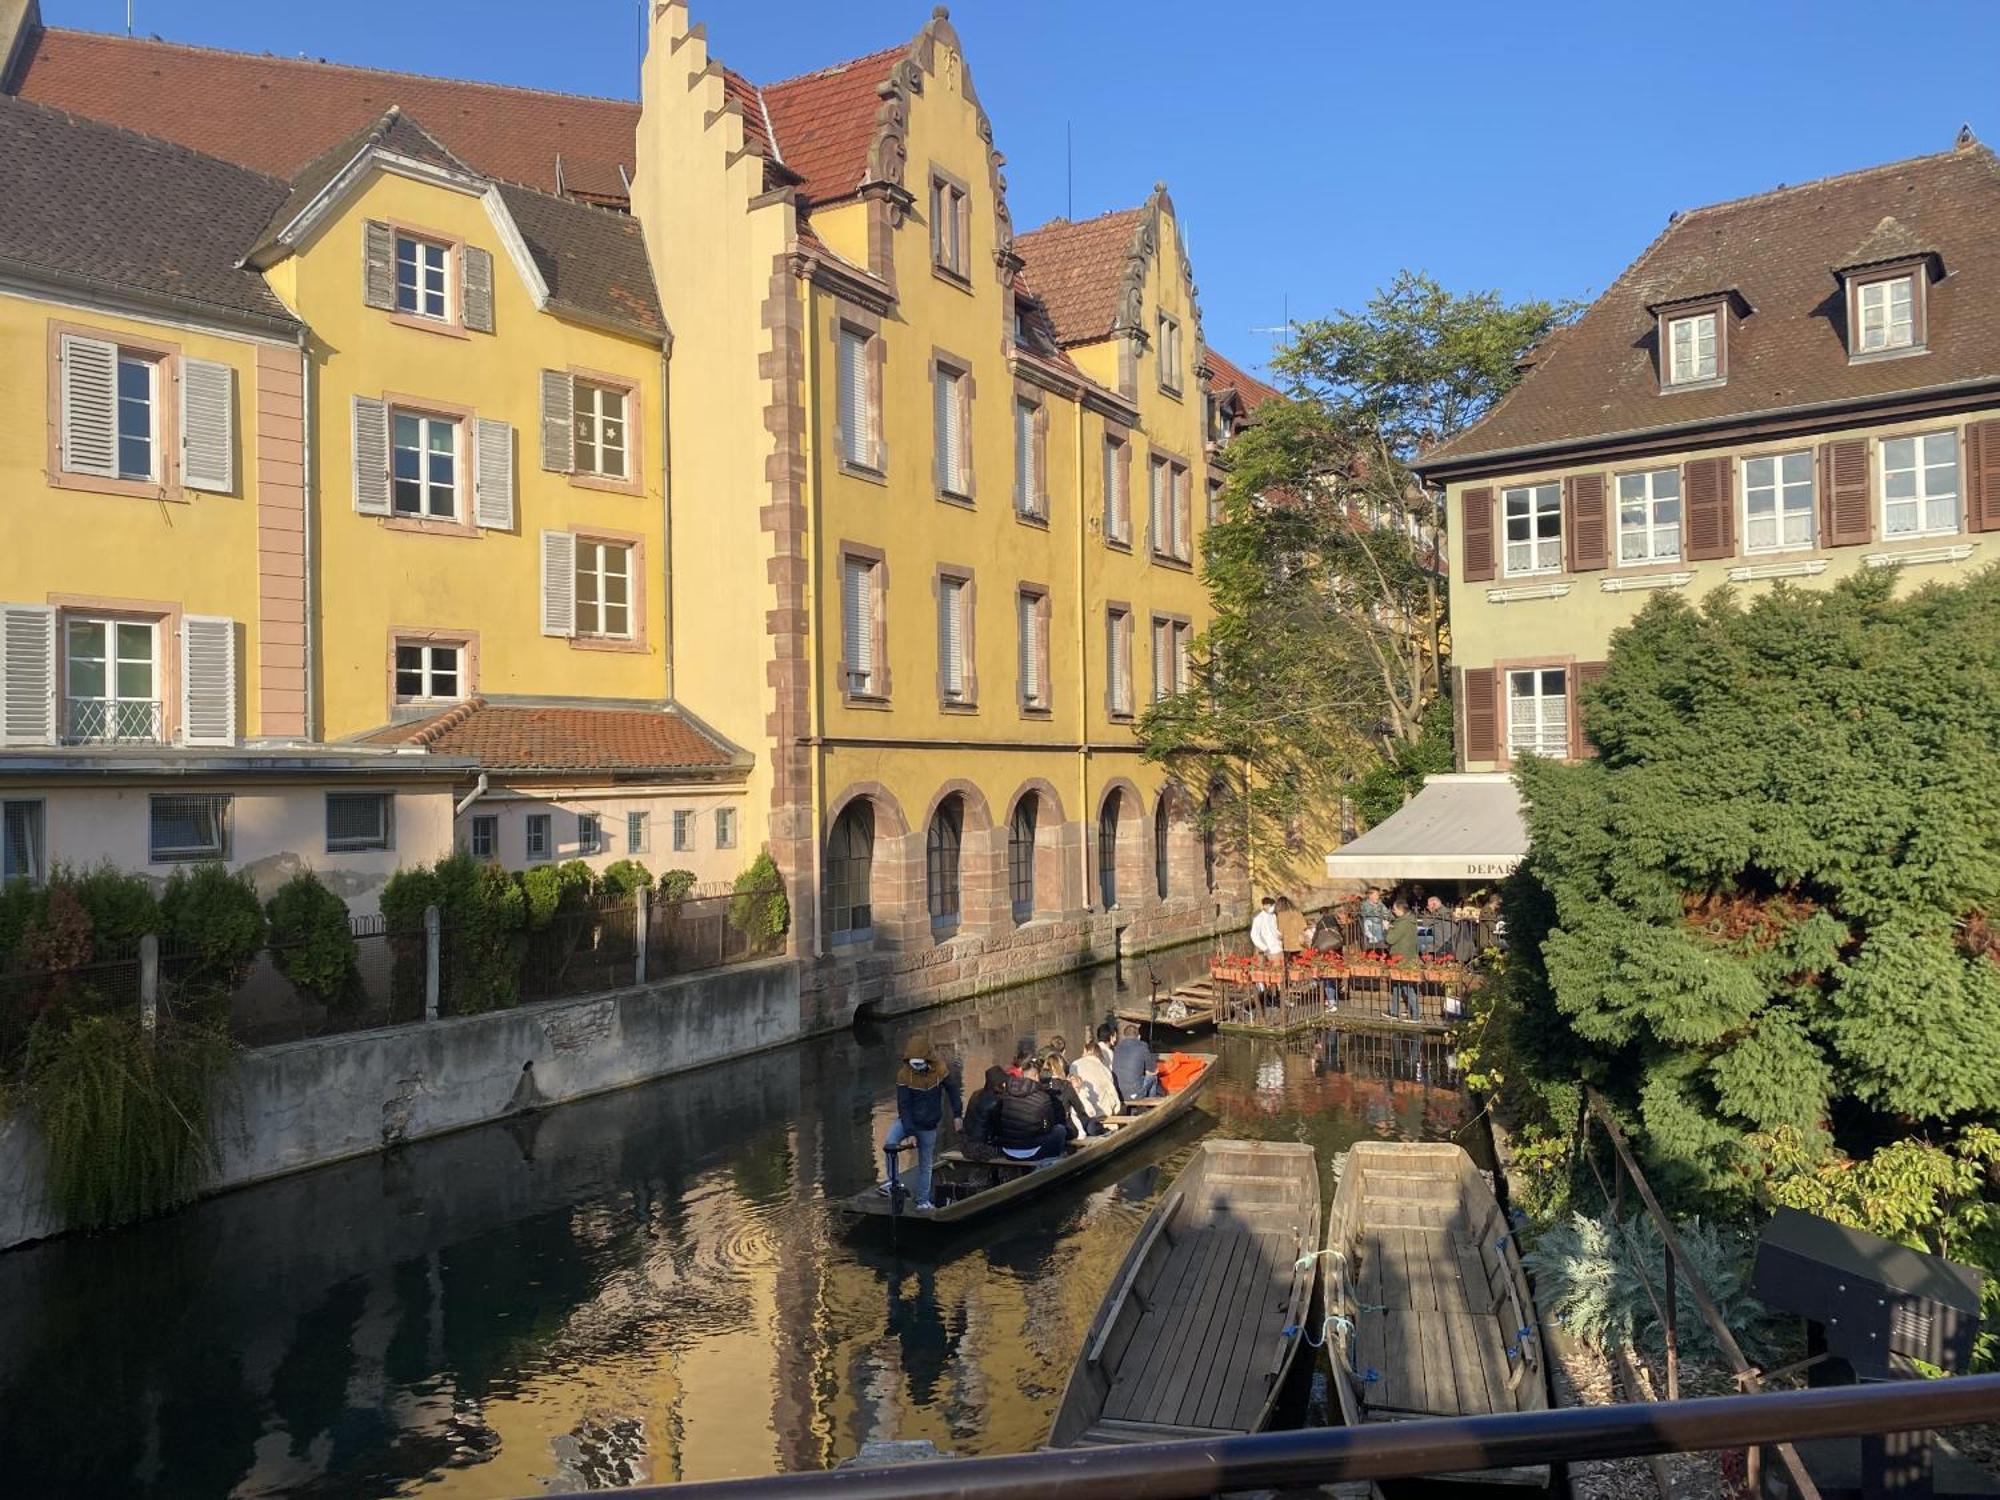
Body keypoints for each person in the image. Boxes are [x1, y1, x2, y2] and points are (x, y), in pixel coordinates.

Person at [879, 1044, 963, 1210]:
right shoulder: (904, 1075)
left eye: (919, 1063)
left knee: (925, 1163)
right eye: (913, 1064)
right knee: (890, 1143)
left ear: (927, 1060)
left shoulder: (940, 1070)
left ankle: (923, 1200)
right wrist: (910, 1132)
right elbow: (904, 1105)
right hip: (908, 1120)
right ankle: (893, 1182)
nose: (915, 1067)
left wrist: (957, 1115)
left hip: (928, 1124)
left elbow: (953, 1091)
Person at [995, 1061, 1070, 1161]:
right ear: (1036, 1076)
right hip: (1032, 1151)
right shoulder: (1043, 1097)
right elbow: (1048, 1127)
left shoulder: (1005, 1095)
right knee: (1060, 1130)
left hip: (1007, 1150)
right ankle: (1054, 1160)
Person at [1042, 1052, 1104, 1136]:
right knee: (1090, 1123)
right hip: (1068, 1129)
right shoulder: (1066, 1085)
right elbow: (1079, 1108)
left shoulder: (1041, 1085)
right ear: (1061, 1067)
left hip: (1049, 1128)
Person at [958, 1064, 1008, 1161]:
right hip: (980, 1149)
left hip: (965, 1145)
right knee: (1011, 1149)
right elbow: (999, 1128)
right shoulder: (996, 1101)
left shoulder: (975, 1094)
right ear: (1000, 1083)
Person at [1070, 1028, 1121, 1118]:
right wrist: (1116, 1108)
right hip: (1104, 1110)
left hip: (1084, 1110)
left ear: (1086, 1051)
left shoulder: (1075, 1064)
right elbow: (1112, 1090)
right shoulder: (1105, 1069)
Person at [1385, 899, 1422, 1021]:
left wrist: (1387, 928)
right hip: (1407, 956)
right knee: (1396, 985)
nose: (1393, 911)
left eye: (1394, 909)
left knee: (1407, 986)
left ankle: (1416, 1015)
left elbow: (1390, 939)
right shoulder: (1410, 920)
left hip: (1402, 957)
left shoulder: (1402, 923)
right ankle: (1394, 1012)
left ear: (1400, 910)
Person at [1112, 1021, 1163, 1100]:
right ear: (1139, 1037)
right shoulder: (1143, 1046)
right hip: (1135, 1094)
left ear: (1125, 1036)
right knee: (1153, 1077)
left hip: (1119, 1094)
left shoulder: (1117, 1048)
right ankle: (1151, 1104)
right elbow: (1152, 1070)